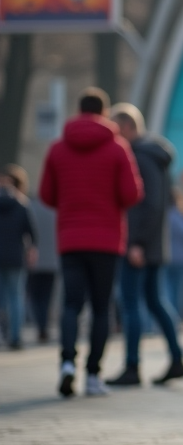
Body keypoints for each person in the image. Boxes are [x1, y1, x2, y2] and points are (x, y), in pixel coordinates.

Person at [39, 88, 143, 397]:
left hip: (70, 238)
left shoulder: (58, 148)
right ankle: (94, 375)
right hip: (107, 240)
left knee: (71, 305)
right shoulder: (117, 147)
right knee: (101, 308)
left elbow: (46, 194)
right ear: (104, 110)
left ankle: (67, 364)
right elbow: (131, 194)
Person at [106, 103, 183, 387]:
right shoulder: (155, 155)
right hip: (153, 243)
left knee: (131, 303)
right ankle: (176, 359)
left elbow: (148, 203)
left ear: (128, 127)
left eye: (116, 129)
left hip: (140, 244)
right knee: (154, 301)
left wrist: (136, 242)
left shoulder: (140, 156)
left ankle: (132, 366)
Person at [0, 164, 35, 349]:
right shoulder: (22, 205)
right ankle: (15, 336)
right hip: (15, 256)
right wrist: (31, 250)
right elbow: (31, 232)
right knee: (15, 297)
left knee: (2, 298)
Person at [27, 191, 58, 344]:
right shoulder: (55, 210)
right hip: (52, 261)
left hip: (32, 261)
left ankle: (40, 326)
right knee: (47, 297)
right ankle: (44, 326)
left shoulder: (28, 207)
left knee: (34, 296)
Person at [164, 189, 183, 321]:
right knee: (177, 293)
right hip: (180, 259)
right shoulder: (178, 216)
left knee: (166, 291)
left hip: (166, 258)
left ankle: (168, 319)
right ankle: (174, 319)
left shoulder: (163, 215)